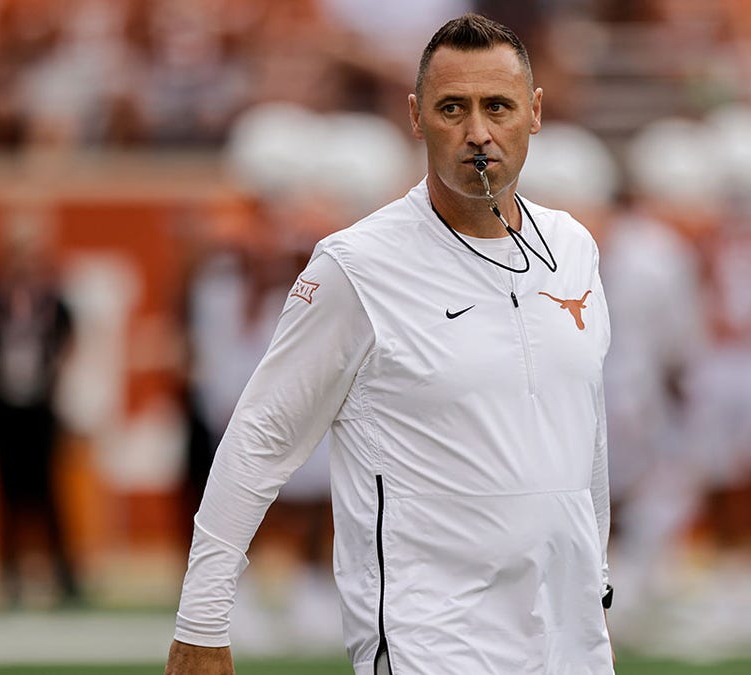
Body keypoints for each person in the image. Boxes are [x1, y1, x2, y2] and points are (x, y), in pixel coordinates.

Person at [166, 13, 615, 675]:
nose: (478, 133)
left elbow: (585, 428)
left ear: (536, 112)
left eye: (498, 106)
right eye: (451, 108)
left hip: (568, 633)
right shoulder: (358, 265)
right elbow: (259, 434)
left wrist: (596, 575)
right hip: (429, 634)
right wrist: (201, 618)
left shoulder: (574, 248)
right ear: (415, 116)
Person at [0, 209, 81, 608]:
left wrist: (55, 369)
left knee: (49, 493)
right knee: (6, 492)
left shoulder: (49, 296)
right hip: (1, 406)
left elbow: (71, 331)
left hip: (40, 405)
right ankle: (9, 576)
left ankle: (65, 575)